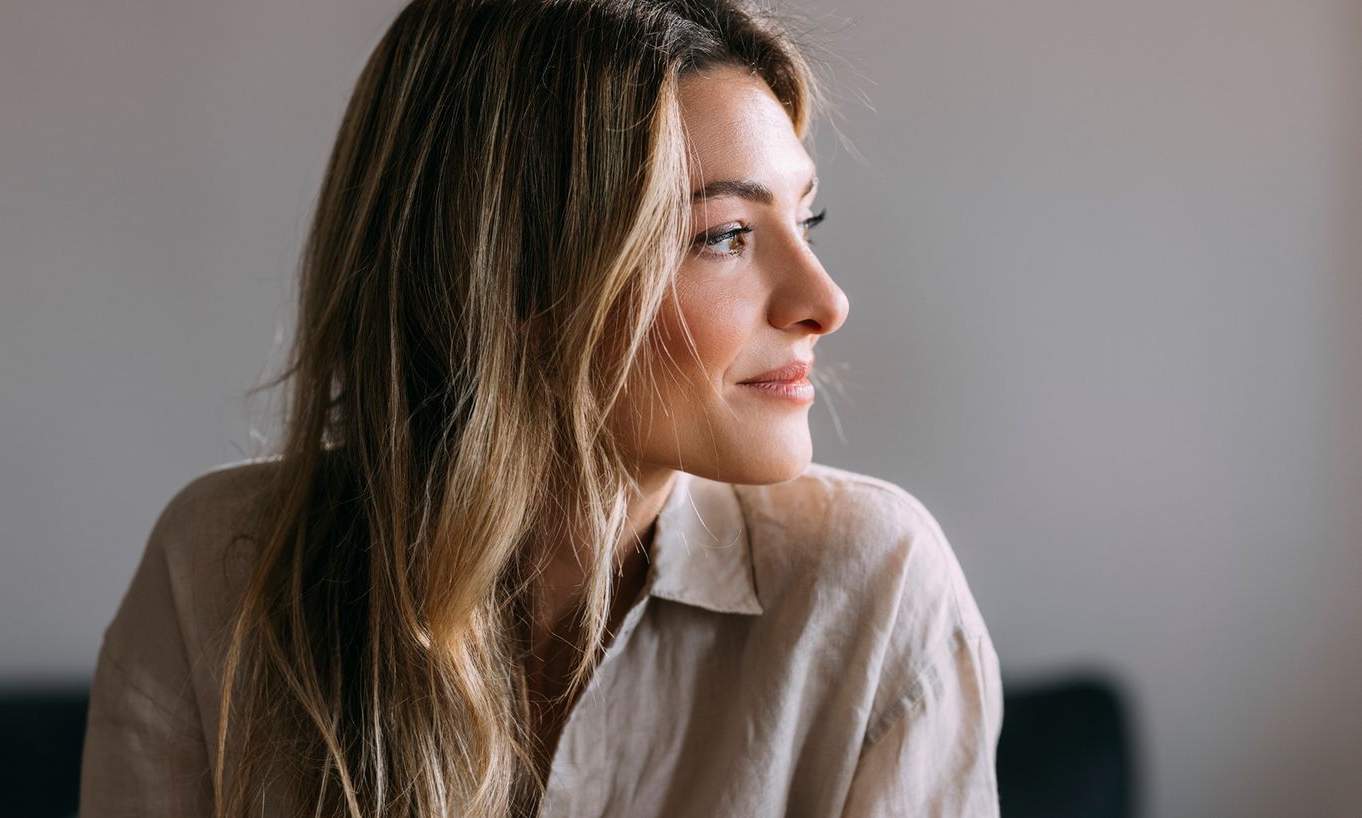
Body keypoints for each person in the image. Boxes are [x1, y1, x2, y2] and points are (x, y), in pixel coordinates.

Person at [78, 0, 1004, 816]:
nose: (825, 302)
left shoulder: (874, 594)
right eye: (724, 235)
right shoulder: (219, 580)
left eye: (805, 222)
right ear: (508, 281)